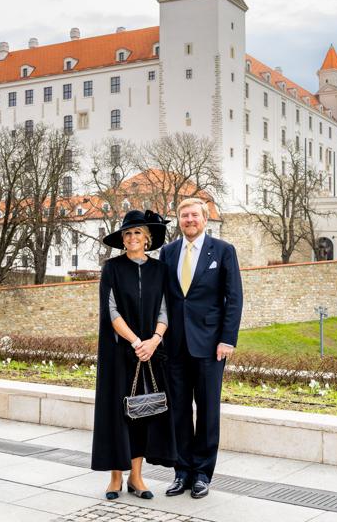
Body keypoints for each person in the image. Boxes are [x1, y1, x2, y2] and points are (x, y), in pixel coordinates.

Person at [159, 197, 243, 499]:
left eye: (194, 215)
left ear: (205, 219)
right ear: (178, 220)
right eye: (184, 216)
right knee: (178, 411)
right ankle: (182, 472)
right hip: (175, 346)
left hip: (210, 346)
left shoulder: (222, 251)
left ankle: (202, 474)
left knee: (208, 411)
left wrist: (227, 339)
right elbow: (163, 300)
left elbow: (234, 299)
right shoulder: (167, 253)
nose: (189, 220)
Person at [91, 209, 177, 501]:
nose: (131, 238)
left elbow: (165, 309)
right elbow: (111, 310)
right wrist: (135, 341)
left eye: (137, 233)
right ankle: (115, 477)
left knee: (143, 412)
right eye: (127, 233)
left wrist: (154, 340)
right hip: (119, 352)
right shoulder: (112, 268)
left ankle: (137, 477)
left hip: (150, 353)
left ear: (147, 238)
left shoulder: (159, 270)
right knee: (117, 413)